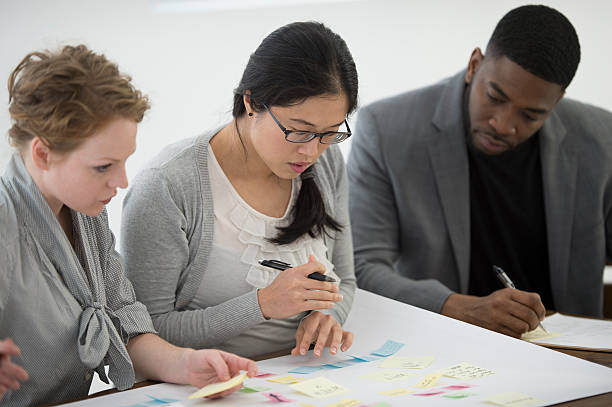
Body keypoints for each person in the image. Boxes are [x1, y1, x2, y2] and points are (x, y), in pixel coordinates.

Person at [0, 45, 257, 406]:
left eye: (125, 162)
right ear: (43, 153)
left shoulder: (86, 213)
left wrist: (186, 363)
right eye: (103, 167)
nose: (121, 182)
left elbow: (126, 326)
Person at [348, 5, 612, 338]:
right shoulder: (387, 130)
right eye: (494, 96)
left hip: (571, 353)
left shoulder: (600, 139)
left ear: (557, 102)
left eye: (530, 115)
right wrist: (461, 308)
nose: (503, 125)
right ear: (474, 64)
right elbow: (361, 268)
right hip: (441, 347)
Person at [121, 21, 357, 359]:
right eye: (299, 131)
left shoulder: (326, 162)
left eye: (329, 132)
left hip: (303, 375)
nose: (311, 152)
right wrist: (261, 305)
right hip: (206, 383)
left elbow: (345, 280)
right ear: (251, 102)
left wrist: (327, 315)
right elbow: (145, 332)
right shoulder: (168, 185)